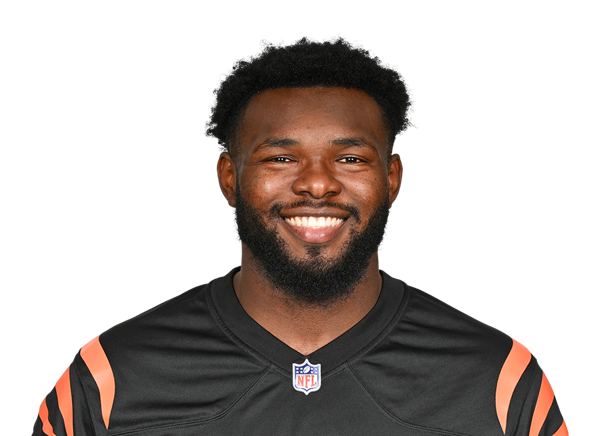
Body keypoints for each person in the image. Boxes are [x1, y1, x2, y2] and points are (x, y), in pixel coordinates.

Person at [32, 36, 568, 436]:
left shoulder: (498, 379)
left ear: (392, 179)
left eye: (350, 158)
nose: (317, 183)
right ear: (228, 178)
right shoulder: (110, 376)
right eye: (281, 158)